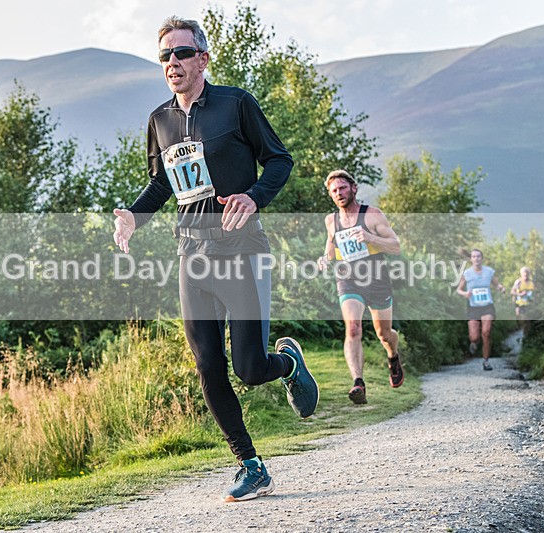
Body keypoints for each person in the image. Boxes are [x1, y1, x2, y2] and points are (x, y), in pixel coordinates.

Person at [112, 16, 318, 503]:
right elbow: (163, 184)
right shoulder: (159, 120)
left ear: (203, 58)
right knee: (207, 363)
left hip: (240, 249)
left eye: (181, 53)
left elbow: (280, 160)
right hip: (191, 254)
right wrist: (133, 219)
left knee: (248, 368)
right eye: (165, 56)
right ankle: (251, 464)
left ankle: (286, 363)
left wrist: (252, 196)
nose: (172, 63)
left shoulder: (236, 104)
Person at [317, 170, 404, 405]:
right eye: (334, 190)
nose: (339, 193)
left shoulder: (372, 215)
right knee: (353, 328)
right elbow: (330, 248)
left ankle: (393, 356)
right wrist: (325, 259)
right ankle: (358, 383)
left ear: (353, 188)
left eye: (343, 188)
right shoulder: (330, 220)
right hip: (348, 280)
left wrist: (369, 237)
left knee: (384, 334)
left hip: (377, 280)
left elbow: (396, 246)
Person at [456, 249, 505, 370]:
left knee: (486, 333)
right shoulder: (467, 274)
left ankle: (486, 361)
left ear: (482, 258)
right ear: (471, 259)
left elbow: (496, 284)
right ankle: (473, 343)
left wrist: (501, 288)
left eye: (478, 256)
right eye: (474, 257)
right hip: (473, 307)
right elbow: (458, 289)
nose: (476, 259)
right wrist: (465, 293)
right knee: (474, 337)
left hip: (487, 306)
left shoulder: (489, 272)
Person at [511, 266, 535, 333]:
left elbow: (534, 295)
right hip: (518, 303)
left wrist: (530, 297)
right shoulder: (518, 282)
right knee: (519, 316)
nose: (525, 276)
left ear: (529, 274)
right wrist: (519, 294)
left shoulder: (531, 283)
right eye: (524, 274)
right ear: (521, 274)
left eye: (527, 274)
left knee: (527, 319)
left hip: (527, 303)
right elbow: (512, 292)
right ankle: (519, 328)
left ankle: (526, 333)